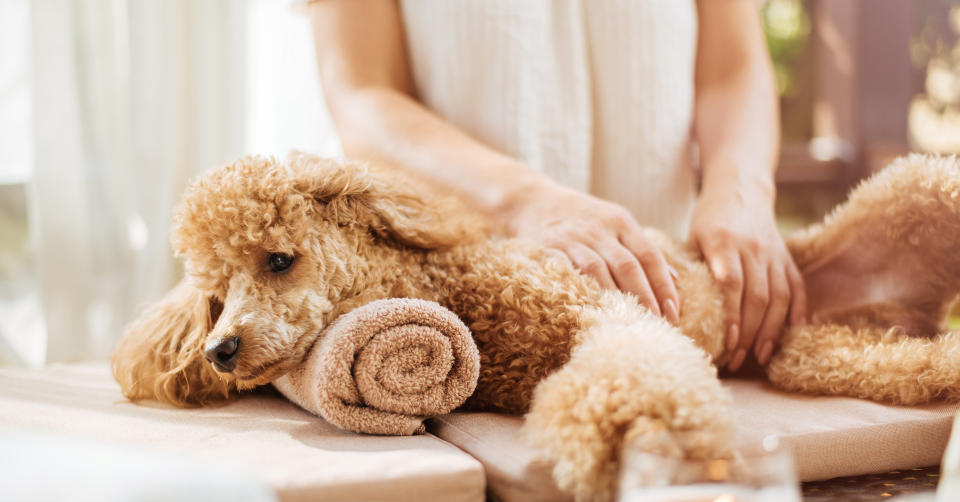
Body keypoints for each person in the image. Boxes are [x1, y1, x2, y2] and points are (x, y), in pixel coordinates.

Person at [307, 0, 807, 372]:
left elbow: (731, 68)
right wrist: (528, 202)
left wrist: (740, 191)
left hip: (672, 314)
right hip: (458, 324)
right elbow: (362, 93)